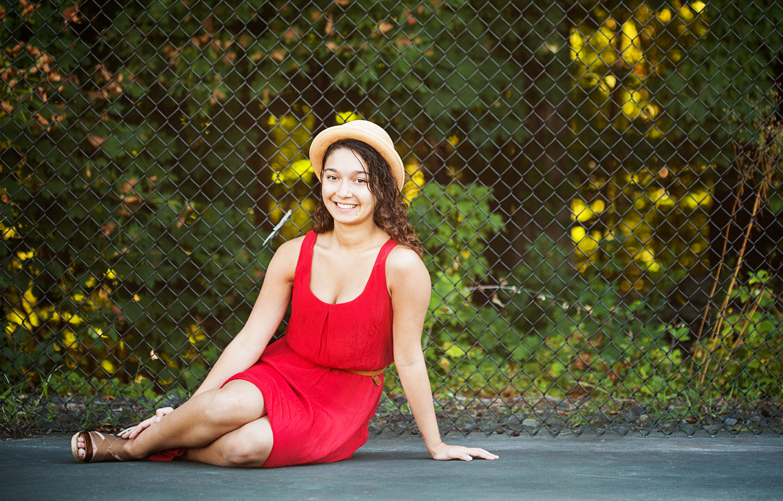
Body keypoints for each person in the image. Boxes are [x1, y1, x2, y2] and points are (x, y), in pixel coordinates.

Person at [71, 120, 498, 467]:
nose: (343, 192)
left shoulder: (401, 266)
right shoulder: (293, 254)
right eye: (332, 177)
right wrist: (194, 407)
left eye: (360, 180)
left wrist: (436, 445)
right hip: (284, 370)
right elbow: (250, 340)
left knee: (244, 448)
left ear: (382, 188)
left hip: (343, 397)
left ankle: (170, 440)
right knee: (223, 408)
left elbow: (408, 358)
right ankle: (133, 448)